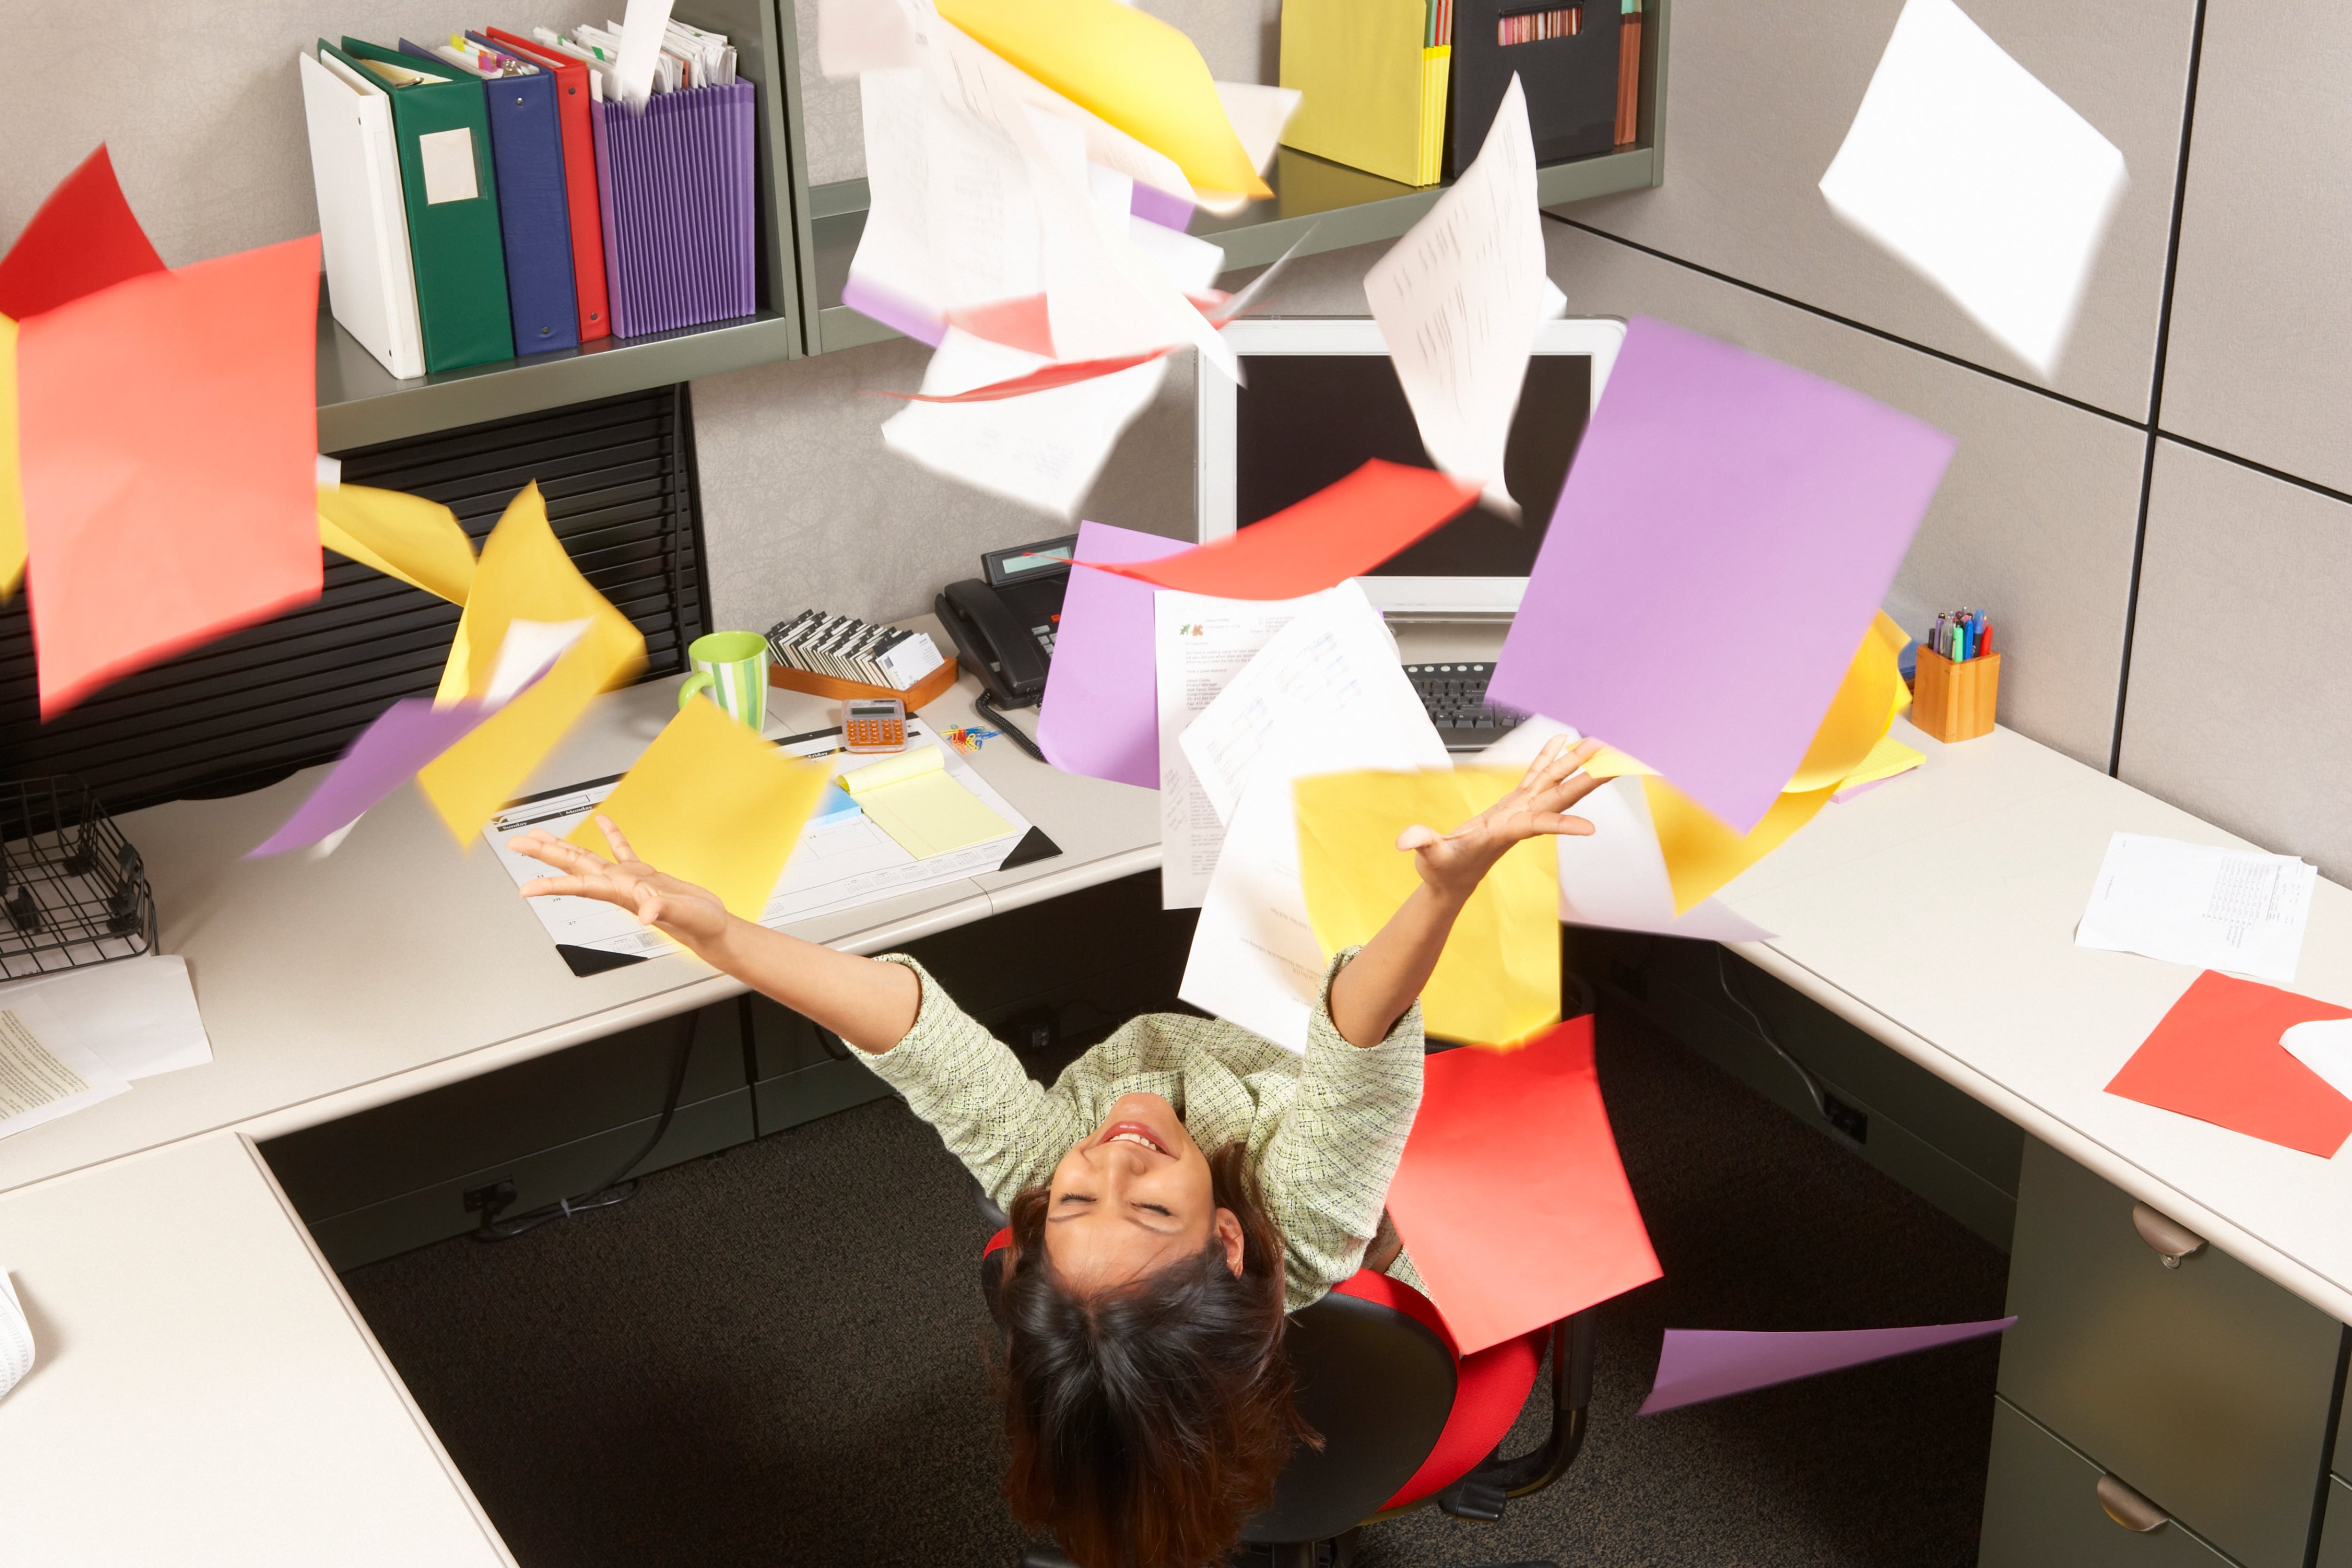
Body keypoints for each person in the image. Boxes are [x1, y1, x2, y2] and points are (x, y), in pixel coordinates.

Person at [506, 733, 1606, 1568]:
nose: (1112, 1158)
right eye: (1152, 1208)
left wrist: (721, 936)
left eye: (1078, 1202)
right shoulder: (1300, 1212)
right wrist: (1442, 892)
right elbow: (1361, 1051)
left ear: (1035, 1228)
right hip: (1347, 1159)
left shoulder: (1042, 1169)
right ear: (1231, 1238)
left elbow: (915, 1036)